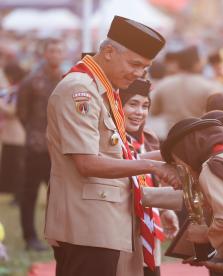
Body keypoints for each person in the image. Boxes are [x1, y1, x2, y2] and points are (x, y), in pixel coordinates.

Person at [45, 16, 177, 276]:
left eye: (145, 68)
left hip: (103, 222)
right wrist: (152, 166)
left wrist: (174, 156)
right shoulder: (80, 90)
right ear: (108, 52)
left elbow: (118, 153)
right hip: (86, 225)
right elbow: (87, 163)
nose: (138, 73)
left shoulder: (105, 89)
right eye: (135, 64)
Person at [160, 118, 223, 276]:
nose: (183, 168)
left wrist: (206, 235)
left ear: (187, 151)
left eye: (179, 161)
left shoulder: (211, 166)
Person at [117, 78, 180, 276]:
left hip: (148, 233)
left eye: (145, 106)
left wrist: (162, 210)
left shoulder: (148, 138)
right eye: (133, 104)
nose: (140, 112)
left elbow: (148, 181)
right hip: (120, 232)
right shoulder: (108, 141)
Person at [16, 38, 64, 251]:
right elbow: (22, 112)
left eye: (59, 51)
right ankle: (30, 237)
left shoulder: (67, 79)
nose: (55, 55)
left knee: (59, 194)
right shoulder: (31, 81)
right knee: (30, 194)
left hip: (60, 147)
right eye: (52, 51)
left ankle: (58, 236)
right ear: (45, 54)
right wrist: (35, 133)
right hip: (36, 146)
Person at [150, 45, 218, 138]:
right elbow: (215, 115)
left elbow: (154, 111)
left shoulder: (165, 84)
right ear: (196, 63)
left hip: (171, 139)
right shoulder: (208, 86)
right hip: (198, 139)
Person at [0, 62, 27, 204]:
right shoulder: (13, 90)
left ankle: (19, 196)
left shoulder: (19, 90)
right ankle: (14, 194)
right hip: (11, 134)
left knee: (18, 168)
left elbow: (13, 111)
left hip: (18, 134)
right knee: (11, 166)